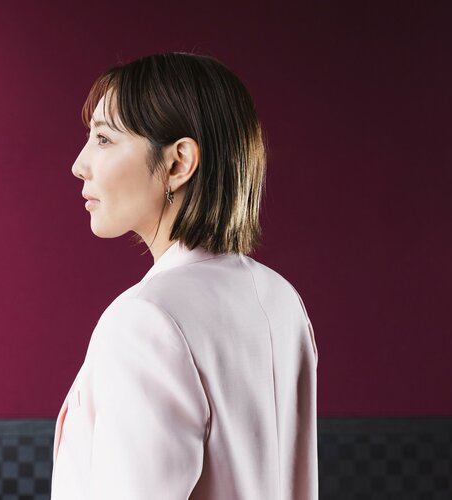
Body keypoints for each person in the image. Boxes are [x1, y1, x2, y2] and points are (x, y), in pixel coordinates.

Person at [51, 51, 318, 499]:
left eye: (104, 138)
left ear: (178, 163)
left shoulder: (144, 321)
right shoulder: (281, 297)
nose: (80, 164)